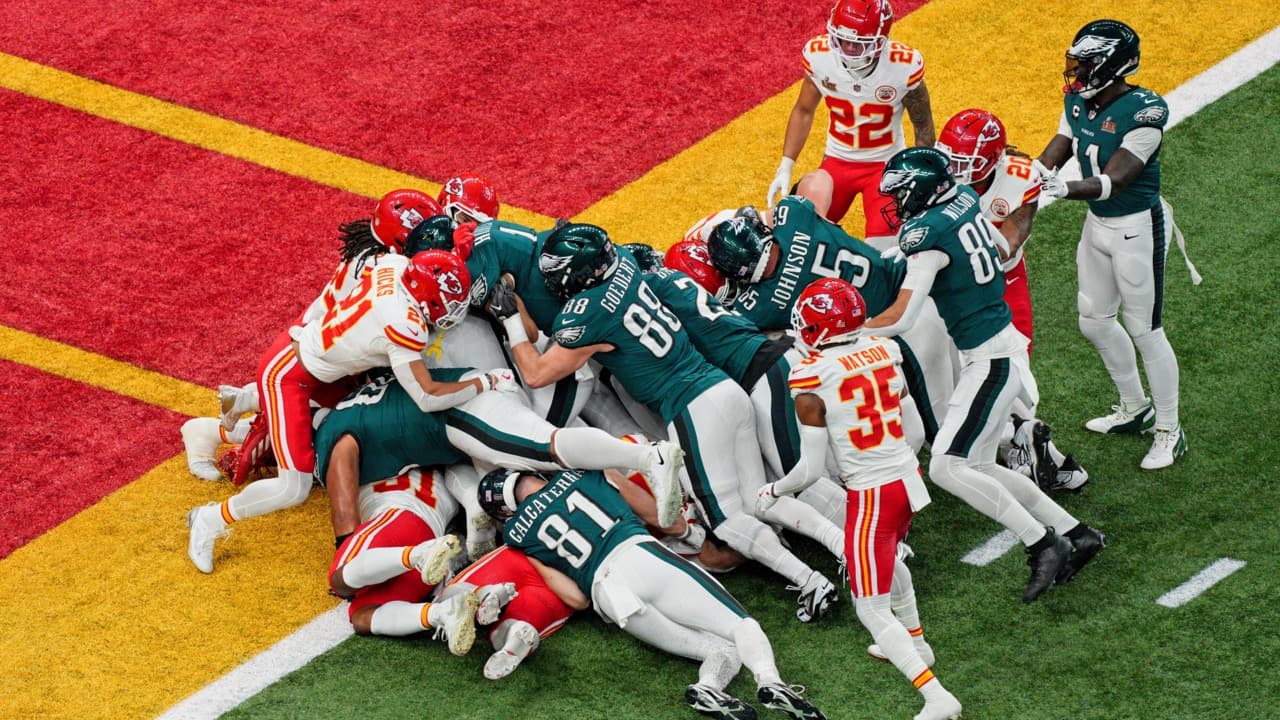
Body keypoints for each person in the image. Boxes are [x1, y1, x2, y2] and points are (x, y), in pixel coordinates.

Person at [491, 222, 840, 622]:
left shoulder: (588, 313)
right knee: (761, 499)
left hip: (692, 407)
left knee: (727, 521)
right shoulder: (624, 262)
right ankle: (840, 549)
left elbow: (536, 374)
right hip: (722, 387)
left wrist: (510, 319)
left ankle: (810, 579)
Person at [185, 245, 513, 573]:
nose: (454, 312)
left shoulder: (397, 265)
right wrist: (484, 382)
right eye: (448, 304)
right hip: (290, 377)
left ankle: (243, 402)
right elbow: (427, 396)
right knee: (293, 487)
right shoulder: (404, 324)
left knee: (320, 425)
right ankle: (210, 519)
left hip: (319, 362)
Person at [870, 147, 1105, 602]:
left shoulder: (927, 235)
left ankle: (1042, 543)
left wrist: (847, 332)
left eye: (900, 193)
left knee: (945, 467)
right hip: (1000, 345)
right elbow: (998, 246)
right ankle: (1078, 535)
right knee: (977, 465)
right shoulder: (961, 200)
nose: (895, 202)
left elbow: (902, 316)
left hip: (990, 359)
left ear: (919, 191)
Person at [757, 278, 961, 720]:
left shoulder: (809, 376)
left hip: (873, 494)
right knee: (887, 558)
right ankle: (917, 642)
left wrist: (774, 490)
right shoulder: (884, 349)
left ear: (818, 329)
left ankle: (936, 697)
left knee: (869, 607)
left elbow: (810, 471)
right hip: (907, 479)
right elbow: (909, 421)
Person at [479, 468, 826, 720]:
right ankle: (771, 681)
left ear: (505, 512)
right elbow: (659, 516)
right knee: (741, 625)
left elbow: (576, 600)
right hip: (640, 556)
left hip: (608, 597)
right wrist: (688, 533)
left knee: (719, 649)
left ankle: (709, 687)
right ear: (527, 473)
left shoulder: (517, 534)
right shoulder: (582, 473)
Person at [1034, 19, 1200, 470]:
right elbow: (1057, 149)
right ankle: (1135, 407)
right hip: (1098, 225)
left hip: (1137, 226)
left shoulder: (1145, 111)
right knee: (1094, 320)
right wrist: (1026, 173)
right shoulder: (1078, 100)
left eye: (1086, 64)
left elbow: (1118, 179)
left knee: (1146, 329)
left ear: (1112, 66)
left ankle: (1169, 429)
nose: (1077, 71)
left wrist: (1064, 189)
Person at [707, 195, 954, 447]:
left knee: (940, 430)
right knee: (960, 389)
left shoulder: (760, 305)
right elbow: (816, 182)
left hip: (893, 329)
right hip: (917, 287)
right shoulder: (794, 215)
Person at [936, 109, 1088, 492]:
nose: (954, 169)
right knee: (954, 372)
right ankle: (1024, 445)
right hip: (952, 286)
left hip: (1002, 282)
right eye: (951, 158)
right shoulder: (937, 175)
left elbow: (1007, 245)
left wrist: (960, 221)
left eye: (964, 162)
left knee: (1015, 376)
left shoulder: (1020, 179)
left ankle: (1020, 441)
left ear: (990, 160)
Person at [768, 0, 934, 250]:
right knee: (797, 234)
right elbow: (804, 110)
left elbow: (922, 125)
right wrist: (786, 164)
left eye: (858, 43)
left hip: (885, 165)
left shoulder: (903, 67)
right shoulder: (820, 57)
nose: (848, 48)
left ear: (880, 41)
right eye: (843, 40)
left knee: (885, 250)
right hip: (837, 161)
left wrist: (921, 176)